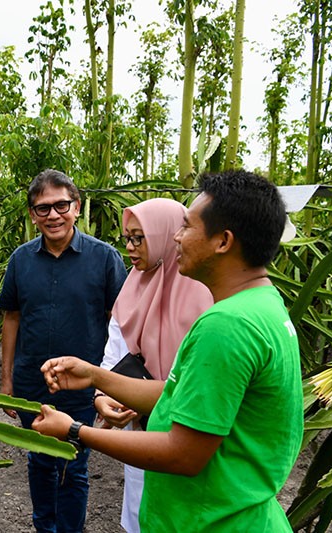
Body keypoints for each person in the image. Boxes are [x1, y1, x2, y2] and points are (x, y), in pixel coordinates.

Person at [32, 170, 303, 531]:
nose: (176, 235)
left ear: (223, 241)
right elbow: (180, 393)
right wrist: (96, 375)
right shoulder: (263, 304)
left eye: (187, 226)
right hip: (232, 509)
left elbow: (184, 453)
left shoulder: (226, 325)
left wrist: (74, 431)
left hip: (213, 520)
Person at [0, 169, 127, 532]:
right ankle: (44, 527)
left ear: (77, 207)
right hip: (31, 382)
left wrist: (111, 384)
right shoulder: (20, 260)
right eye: (43, 208)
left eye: (61, 205)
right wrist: (7, 381)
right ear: (32, 215)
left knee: (75, 463)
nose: (53, 215)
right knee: (39, 460)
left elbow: (117, 323)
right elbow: (12, 318)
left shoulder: (104, 258)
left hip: (83, 386)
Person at [96, 198, 213, 533]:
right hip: (142, 431)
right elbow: (113, 358)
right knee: (141, 514)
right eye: (127, 239)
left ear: (166, 235)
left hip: (192, 433)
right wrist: (102, 397)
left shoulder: (207, 296)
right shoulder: (131, 288)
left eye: (139, 238)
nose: (130, 248)